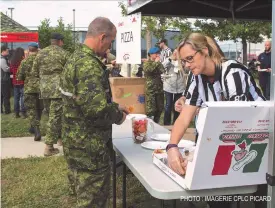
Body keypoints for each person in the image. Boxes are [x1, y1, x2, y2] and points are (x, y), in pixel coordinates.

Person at [166, 33, 265, 208]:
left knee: (255, 194)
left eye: (190, 59)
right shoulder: (196, 78)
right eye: (184, 62)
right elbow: (184, 118)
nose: (187, 65)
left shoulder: (233, 72)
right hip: (229, 140)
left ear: (204, 51)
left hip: (258, 138)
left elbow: (235, 122)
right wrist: (172, 147)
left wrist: (200, 154)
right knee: (215, 196)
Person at [59, 17, 128, 208]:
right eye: (111, 41)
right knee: (92, 200)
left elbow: (83, 101)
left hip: (76, 143)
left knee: (82, 195)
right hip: (91, 148)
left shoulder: (75, 58)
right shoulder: (88, 65)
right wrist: (118, 115)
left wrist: (114, 106)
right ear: (102, 37)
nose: (109, 46)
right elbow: (96, 111)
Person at [32, 32, 69, 156]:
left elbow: (34, 72)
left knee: (52, 116)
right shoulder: (63, 53)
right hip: (58, 89)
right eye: (62, 41)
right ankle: (48, 147)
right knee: (56, 117)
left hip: (44, 90)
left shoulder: (40, 53)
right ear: (59, 41)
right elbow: (69, 72)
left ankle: (60, 139)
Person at [17, 42, 44, 141]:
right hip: (41, 87)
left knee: (31, 110)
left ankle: (36, 130)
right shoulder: (42, 60)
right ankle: (35, 126)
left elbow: (19, 77)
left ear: (29, 50)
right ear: (37, 49)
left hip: (29, 88)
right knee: (39, 108)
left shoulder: (25, 61)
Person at [162, 49, 187, 125]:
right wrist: (170, 58)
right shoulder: (168, 60)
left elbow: (187, 69)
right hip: (169, 86)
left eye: (178, 53)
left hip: (180, 87)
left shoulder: (183, 61)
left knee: (177, 105)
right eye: (175, 53)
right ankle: (166, 123)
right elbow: (162, 65)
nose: (176, 55)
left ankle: (176, 122)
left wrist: (181, 61)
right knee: (168, 105)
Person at [143, 47, 165, 123]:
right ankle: (149, 125)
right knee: (151, 110)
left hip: (159, 89)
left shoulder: (158, 63)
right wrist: (156, 62)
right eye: (156, 53)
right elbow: (149, 70)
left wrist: (158, 63)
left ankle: (156, 124)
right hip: (150, 90)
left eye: (158, 53)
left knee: (160, 108)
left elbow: (163, 70)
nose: (157, 55)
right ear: (151, 54)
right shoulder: (147, 63)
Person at [10, 47, 26, 118]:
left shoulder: (12, 61)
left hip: (15, 81)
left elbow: (10, 70)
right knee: (23, 97)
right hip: (22, 81)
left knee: (16, 98)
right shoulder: (23, 61)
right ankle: (23, 113)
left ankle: (16, 113)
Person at [1, 45, 11, 114]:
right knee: (6, 96)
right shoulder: (2, 59)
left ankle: (1, 110)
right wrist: (12, 68)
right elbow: (6, 69)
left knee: (2, 96)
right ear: (3, 51)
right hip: (4, 80)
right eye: (7, 51)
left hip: (3, 80)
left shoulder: (4, 58)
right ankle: (7, 110)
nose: (8, 53)